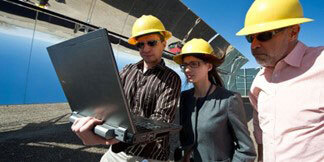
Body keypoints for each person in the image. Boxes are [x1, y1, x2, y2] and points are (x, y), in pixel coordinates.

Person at [71, 15, 181, 162]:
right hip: (119, 148)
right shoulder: (128, 70)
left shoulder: (172, 78)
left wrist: (125, 134)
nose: (146, 48)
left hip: (150, 153)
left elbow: (161, 119)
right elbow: (110, 97)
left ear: (163, 43)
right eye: (140, 45)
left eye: (151, 42)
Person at [236, 0, 324, 161]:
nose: (254, 45)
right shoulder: (259, 82)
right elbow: (261, 134)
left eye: (264, 35)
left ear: (293, 32)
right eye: (250, 38)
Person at [173, 38, 256, 162]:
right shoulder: (185, 97)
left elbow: (246, 150)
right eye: (184, 65)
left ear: (209, 66)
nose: (187, 70)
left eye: (194, 64)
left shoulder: (229, 100)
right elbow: (185, 138)